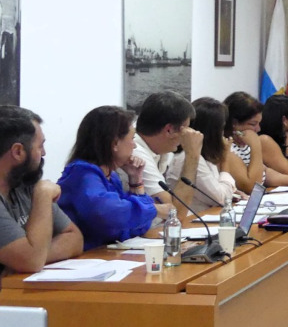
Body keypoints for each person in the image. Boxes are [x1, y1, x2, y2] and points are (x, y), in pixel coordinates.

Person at [57, 106, 173, 250]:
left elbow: (132, 226)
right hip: (83, 256)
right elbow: (110, 215)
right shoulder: (82, 174)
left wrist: (136, 180)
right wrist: (154, 209)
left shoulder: (111, 176)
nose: (134, 145)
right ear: (115, 143)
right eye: (132, 139)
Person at [0, 105, 83, 273]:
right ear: (18, 152)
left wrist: (35, 254)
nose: (44, 153)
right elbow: (31, 261)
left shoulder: (26, 185)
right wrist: (43, 195)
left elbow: (75, 238)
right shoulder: (40, 192)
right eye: (40, 146)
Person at [130, 91, 203, 218]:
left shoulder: (159, 149)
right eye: (186, 128)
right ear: (169, 130)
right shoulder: (135, 152)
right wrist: (193, 155)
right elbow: (175, 214)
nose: (188, 134)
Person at [166, 98, 238, 214]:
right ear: (212, 132)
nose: (223, 134)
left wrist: (233, 192)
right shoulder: (189, 158)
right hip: (190, 221)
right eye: (221, 129)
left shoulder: (204, 156)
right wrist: (225, 160)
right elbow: (221, 198)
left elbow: (218, 189)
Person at [223, 91, 288, 192]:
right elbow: (251, 186)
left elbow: (264, 172)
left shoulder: (244, 145)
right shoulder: (227, 149)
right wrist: (256, 145)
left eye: (259, 123)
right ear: (234, 123)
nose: (258, 129)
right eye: (253, 124)